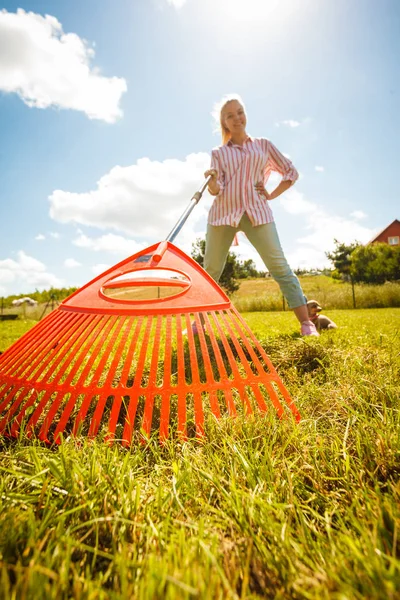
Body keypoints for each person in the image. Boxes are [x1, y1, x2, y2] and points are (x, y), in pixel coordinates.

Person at [203, 93, 319, 337]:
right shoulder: (218, 153)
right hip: (223, 214)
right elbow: (217, 190)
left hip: (257, 212)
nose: (237, 119)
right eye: (230, 116)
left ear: (246, 114)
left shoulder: (263, 145)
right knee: (211, 270)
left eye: (240, 112)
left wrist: (271, 194)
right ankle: (199, 325)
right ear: (224, 122)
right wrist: (212, 181)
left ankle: (306, 324)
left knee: (279, 266)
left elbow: (290, 172)